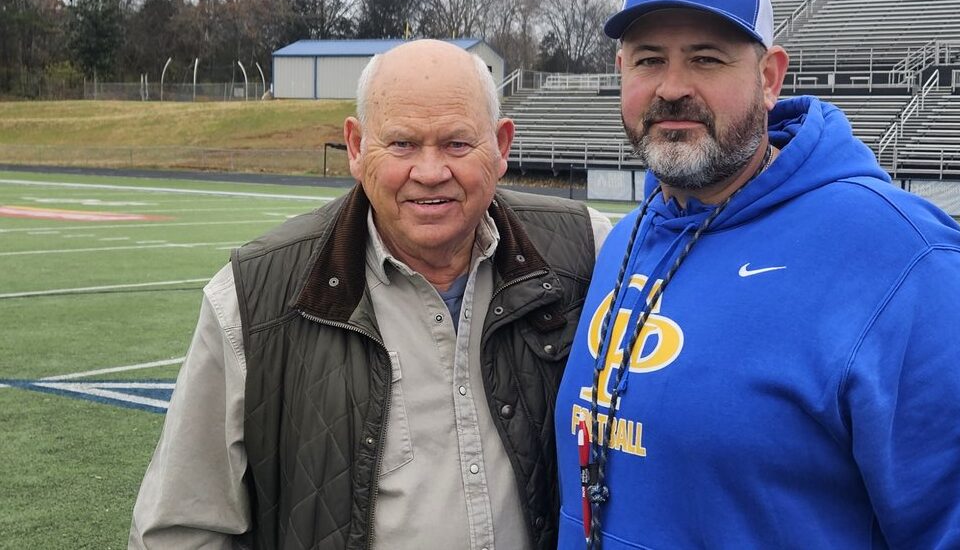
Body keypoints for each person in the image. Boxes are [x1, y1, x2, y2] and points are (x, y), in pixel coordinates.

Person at [555, 0, 960, 549]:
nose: (673, 88)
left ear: (770, 77)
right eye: (649, 60)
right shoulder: (628, 238)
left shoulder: (911, 264)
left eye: (707, 59)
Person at [131, 39, 611, 549]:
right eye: (402, 144)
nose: (430, 172)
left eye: (457, 143)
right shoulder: (253, 297)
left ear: (501, 147)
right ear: (357, 148)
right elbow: (181, 529)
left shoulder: (588, 254)